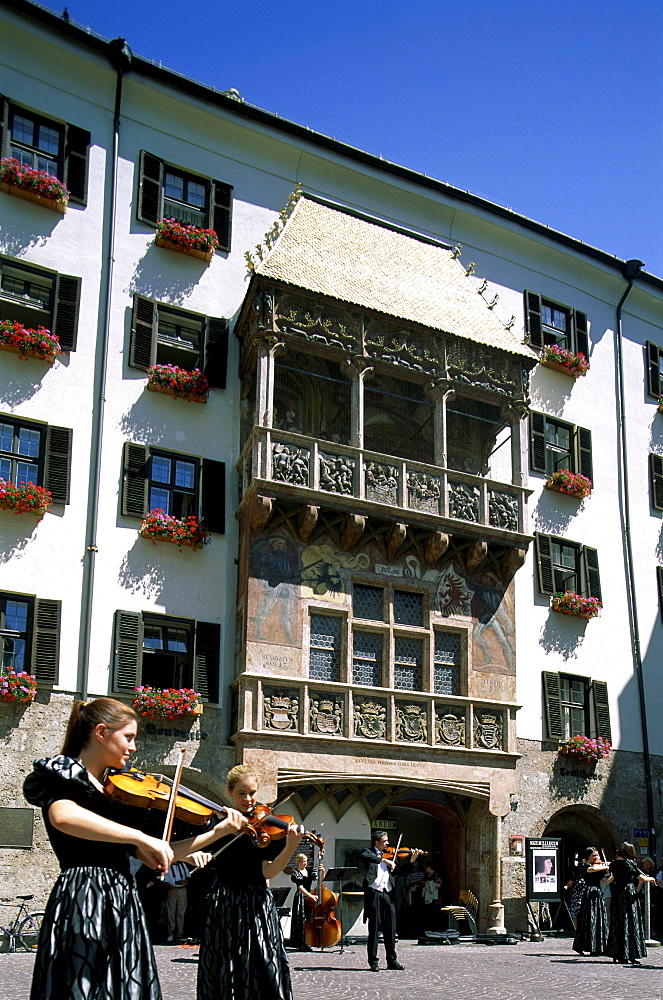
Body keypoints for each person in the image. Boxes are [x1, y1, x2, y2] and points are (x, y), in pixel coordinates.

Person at [22, 697, 246, 1000]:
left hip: (119, 896)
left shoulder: (112, 791)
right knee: (83, 984)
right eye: (128, 737)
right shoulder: (66, 772)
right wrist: (140, 836)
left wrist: (217, 831)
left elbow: (158, 854)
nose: (134, 747)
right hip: (87, 894)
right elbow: (62, 816)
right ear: (101, 733)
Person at [197, 763, 304, 1000]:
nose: (248, 799)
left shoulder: (267, 825)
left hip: (256, 901)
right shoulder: (218, 825)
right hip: (226, 902)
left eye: (252, 793)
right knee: (227, 963)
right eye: (241, 793)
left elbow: (269, 871)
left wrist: (290, 847)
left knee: (263, 962)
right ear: (229, 792)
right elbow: (197, 850)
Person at [360, 830, 422, 972]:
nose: (388, 843)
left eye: (387, 841)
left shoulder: (392, 856)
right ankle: (373, 961)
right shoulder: (368, 852)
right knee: (374, 928)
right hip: (374, 893)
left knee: (391, 928)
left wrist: (411, 861)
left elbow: (399, 872)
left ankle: (392, 960)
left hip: (387, 893)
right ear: (376, 842)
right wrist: (383, 860)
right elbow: (365, 856)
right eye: (385, 841)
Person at [607, 841, 655, 965]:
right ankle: (630, 953)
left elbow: (610, 879)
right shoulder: (629, 864)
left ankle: (618, 952)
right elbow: (642, 878)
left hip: (618, 893)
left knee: (619, 922)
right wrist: (651, 878)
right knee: (630, 922)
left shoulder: (613, 864)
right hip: (628, 892)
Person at [572, 847, 611, 956]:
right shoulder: (584, 866)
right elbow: (591, 870)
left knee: (598, 919)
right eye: (594, 855)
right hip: (589, 893)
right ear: (588, 856)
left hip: (598, 893)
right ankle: (581, 945)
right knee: (588, 919)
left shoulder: (599, 869)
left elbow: (606, 881)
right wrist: (605, 866)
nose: (597, 857)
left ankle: (596, 947)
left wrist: (612, 874)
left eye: (597, 855)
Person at [289, 852, 317, 951]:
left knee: (309, 918)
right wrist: (310, 895)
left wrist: (323, 871)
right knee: (301, 919)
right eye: (304, 861)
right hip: (301, 897)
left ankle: (308, 941)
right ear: (299, 862)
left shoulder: (309, 871)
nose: (306, 863)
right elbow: (300, 887)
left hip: (309, 896)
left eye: (306, 861)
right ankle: (300, 943)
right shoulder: (296, 873)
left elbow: (319, 880)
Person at [163, 859, 191, 943]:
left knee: (181, 912)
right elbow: (165, 879)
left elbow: (188, 875)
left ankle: (180, 933)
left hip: (182, 889)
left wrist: (185, 880)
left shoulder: (182, 864)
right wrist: (172, 888)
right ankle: (171, 933)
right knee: (171, 911)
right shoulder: (167, 866)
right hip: (172, 889)